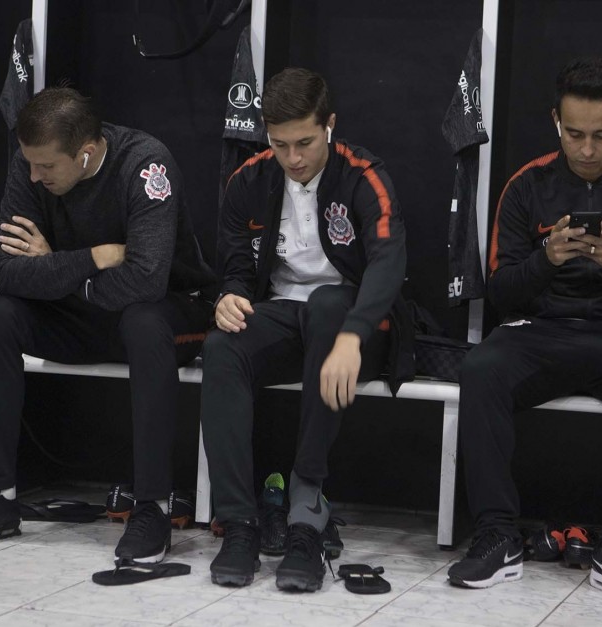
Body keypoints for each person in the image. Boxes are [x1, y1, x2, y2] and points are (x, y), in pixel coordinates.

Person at [447, 58, 602, 606]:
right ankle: (497, 534)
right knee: (481, 368)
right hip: (543, 331)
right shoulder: (527, 184)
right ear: (555, 122)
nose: (587, 149)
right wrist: (545, 260)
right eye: (574, 133)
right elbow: (501, 291)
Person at [0, 87, 216, 565]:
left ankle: (151, 507)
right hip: (84, 316)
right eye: (30, 164)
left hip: (167, 317)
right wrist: (95, 257)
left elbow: (148, 281)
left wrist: (58, 270)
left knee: (144, 320)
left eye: (47, 167)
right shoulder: (31, 163)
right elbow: (7, 273)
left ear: (85, 153)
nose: (34, 175)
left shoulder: (146, 164)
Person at [202, 67, 407, 592]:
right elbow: (234, 268)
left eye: (305, 143)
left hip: (354, 322)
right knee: (222, 347)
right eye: (280, 145)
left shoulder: (364, 174)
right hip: (283, 314)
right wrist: (229, 297)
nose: (293, 158)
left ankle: (306, 514)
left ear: (330, 126)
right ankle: (239, 522)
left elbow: (387, 261)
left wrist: (353, 332)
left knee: (328, 306)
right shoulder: (249, 179)